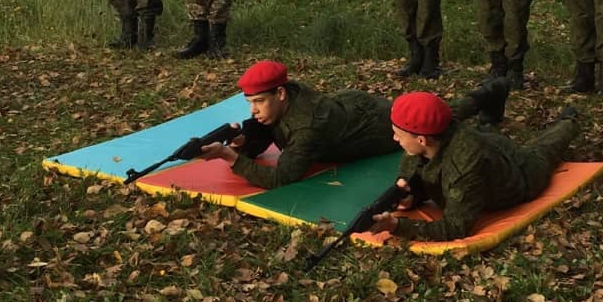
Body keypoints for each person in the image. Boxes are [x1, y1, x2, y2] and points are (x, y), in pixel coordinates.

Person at [200, 60, 511, 189]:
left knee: (435, 120)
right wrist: (246, 143)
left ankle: (489, 92)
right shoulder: (286, 97)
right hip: (348, 106)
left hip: (371, 125)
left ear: (280, 94)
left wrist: (230, 157)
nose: (254, 110)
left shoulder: (308, 126)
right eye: (250, 104)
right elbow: (270, 131)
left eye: (259, 102)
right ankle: (489, 93)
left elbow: (283, 176)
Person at [367, 92, 579, 241]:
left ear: (422, 140)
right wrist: (412, 196)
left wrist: (397, 226)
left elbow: (454, 227)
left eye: (399, 135)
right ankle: (490, 98)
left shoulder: (463, 167)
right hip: (487, 146)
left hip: (520, 176)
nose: (395, 139)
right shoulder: (431, 137)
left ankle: (569, 121)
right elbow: (419, 170)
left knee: (545, 150)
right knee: (487, 139)